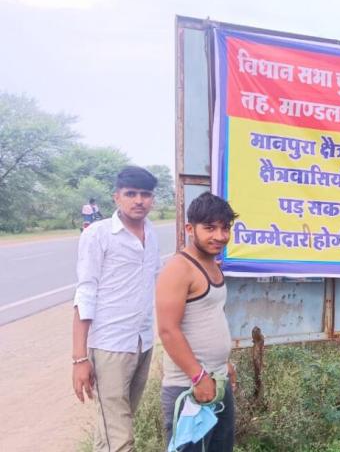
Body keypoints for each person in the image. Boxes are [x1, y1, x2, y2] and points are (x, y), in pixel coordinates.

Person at [72, 166, 159, 452]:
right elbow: (85, 293)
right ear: (116, 197)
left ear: (152, 200)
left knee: (112, 429)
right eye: (131, 194)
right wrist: (79, 359)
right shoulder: (98, 235)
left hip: (142, 342)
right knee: (121, 440)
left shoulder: (152, 233)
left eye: (145, 194)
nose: (139, 200)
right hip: (110, 346)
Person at [156, 192, 239, 451]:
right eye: (210, 228)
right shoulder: (178, 268)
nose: (219, 236)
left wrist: (223, 363)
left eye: (225, 228)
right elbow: (168, 330)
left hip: (218, 381)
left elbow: (208, 317)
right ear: (190, 229)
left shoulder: (212, 264)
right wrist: (198, 376)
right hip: (189, 388)